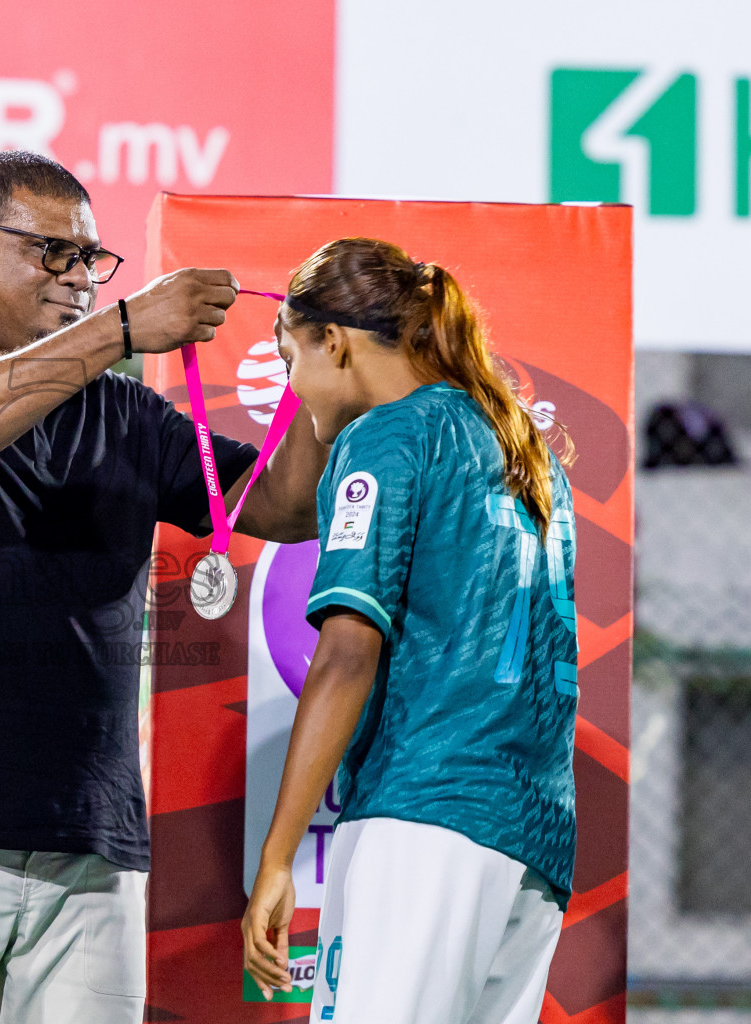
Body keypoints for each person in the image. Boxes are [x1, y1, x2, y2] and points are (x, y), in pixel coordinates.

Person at [0, 150, 329, 1023]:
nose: (79, 276)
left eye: (90, 258)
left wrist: (320, 376)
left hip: (92, 844)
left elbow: (285, 506)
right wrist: (121, 330)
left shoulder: (129, 414)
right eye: (51, 252)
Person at [240, 238, 578, 1024]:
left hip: (425, 813)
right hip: (534, 837)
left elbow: (347, 656)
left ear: (333, 342)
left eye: (290, 355)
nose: (291, 384)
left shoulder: (387, 435)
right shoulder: (525, 443)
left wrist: (278, 856)